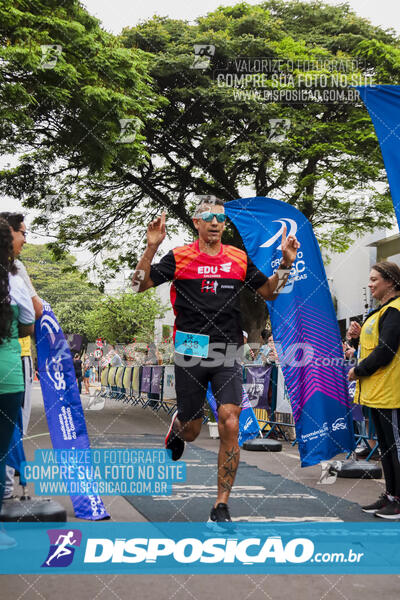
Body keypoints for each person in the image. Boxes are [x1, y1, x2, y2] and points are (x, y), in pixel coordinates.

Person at [133, 196, 299, 523]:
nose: (215, 223)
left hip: (227, 350)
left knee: (230, 420)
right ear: (196, 222)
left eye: (220, 219)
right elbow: (139, 284)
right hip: (191, 349)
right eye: (208, 217)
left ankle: (221, 504)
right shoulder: (180, 256)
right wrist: (151, 247)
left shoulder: (237, 257)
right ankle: (178, 428)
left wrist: (286, 263)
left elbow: (268, 292)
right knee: (193, 430)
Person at [348, 261, 400, 519]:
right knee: (386, 449)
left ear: (390, 281)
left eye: (374, 279)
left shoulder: (396, 310)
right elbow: (374, 344)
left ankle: (398, 500)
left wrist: (358, 371)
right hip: (379, 392)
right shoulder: (381, 311)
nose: (369, 284)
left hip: (393, 393)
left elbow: (386, 350)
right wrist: (356, 338)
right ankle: (391, 496)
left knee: (395, 448)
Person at [0, 212, 43, 501]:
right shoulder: (13, 273)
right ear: (8, 237)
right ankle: (4, 491)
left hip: (14, 366)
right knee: (6, 438)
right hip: (11, 369)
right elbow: (33, 314)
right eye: (22, 233)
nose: (25, 239)